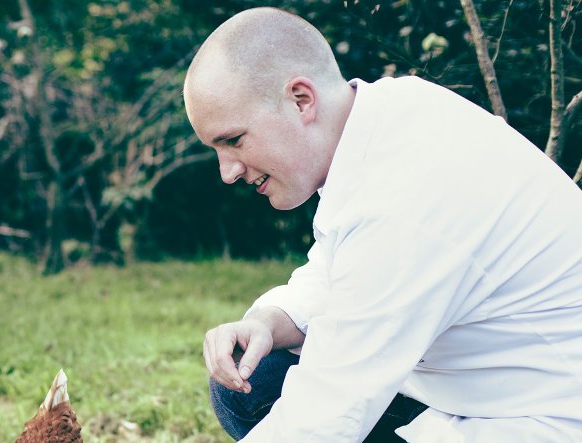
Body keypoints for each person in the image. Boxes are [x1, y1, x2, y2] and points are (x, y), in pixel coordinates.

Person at [184, 7, 582, 442]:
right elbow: (341, 270)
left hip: (539, 419)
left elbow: (323, 417)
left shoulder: (408, 192)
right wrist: (267, 321)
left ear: (301, 99)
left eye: (233, 141)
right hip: (473, 390)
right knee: (253, 379)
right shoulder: (385, 117)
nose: (228, 172)